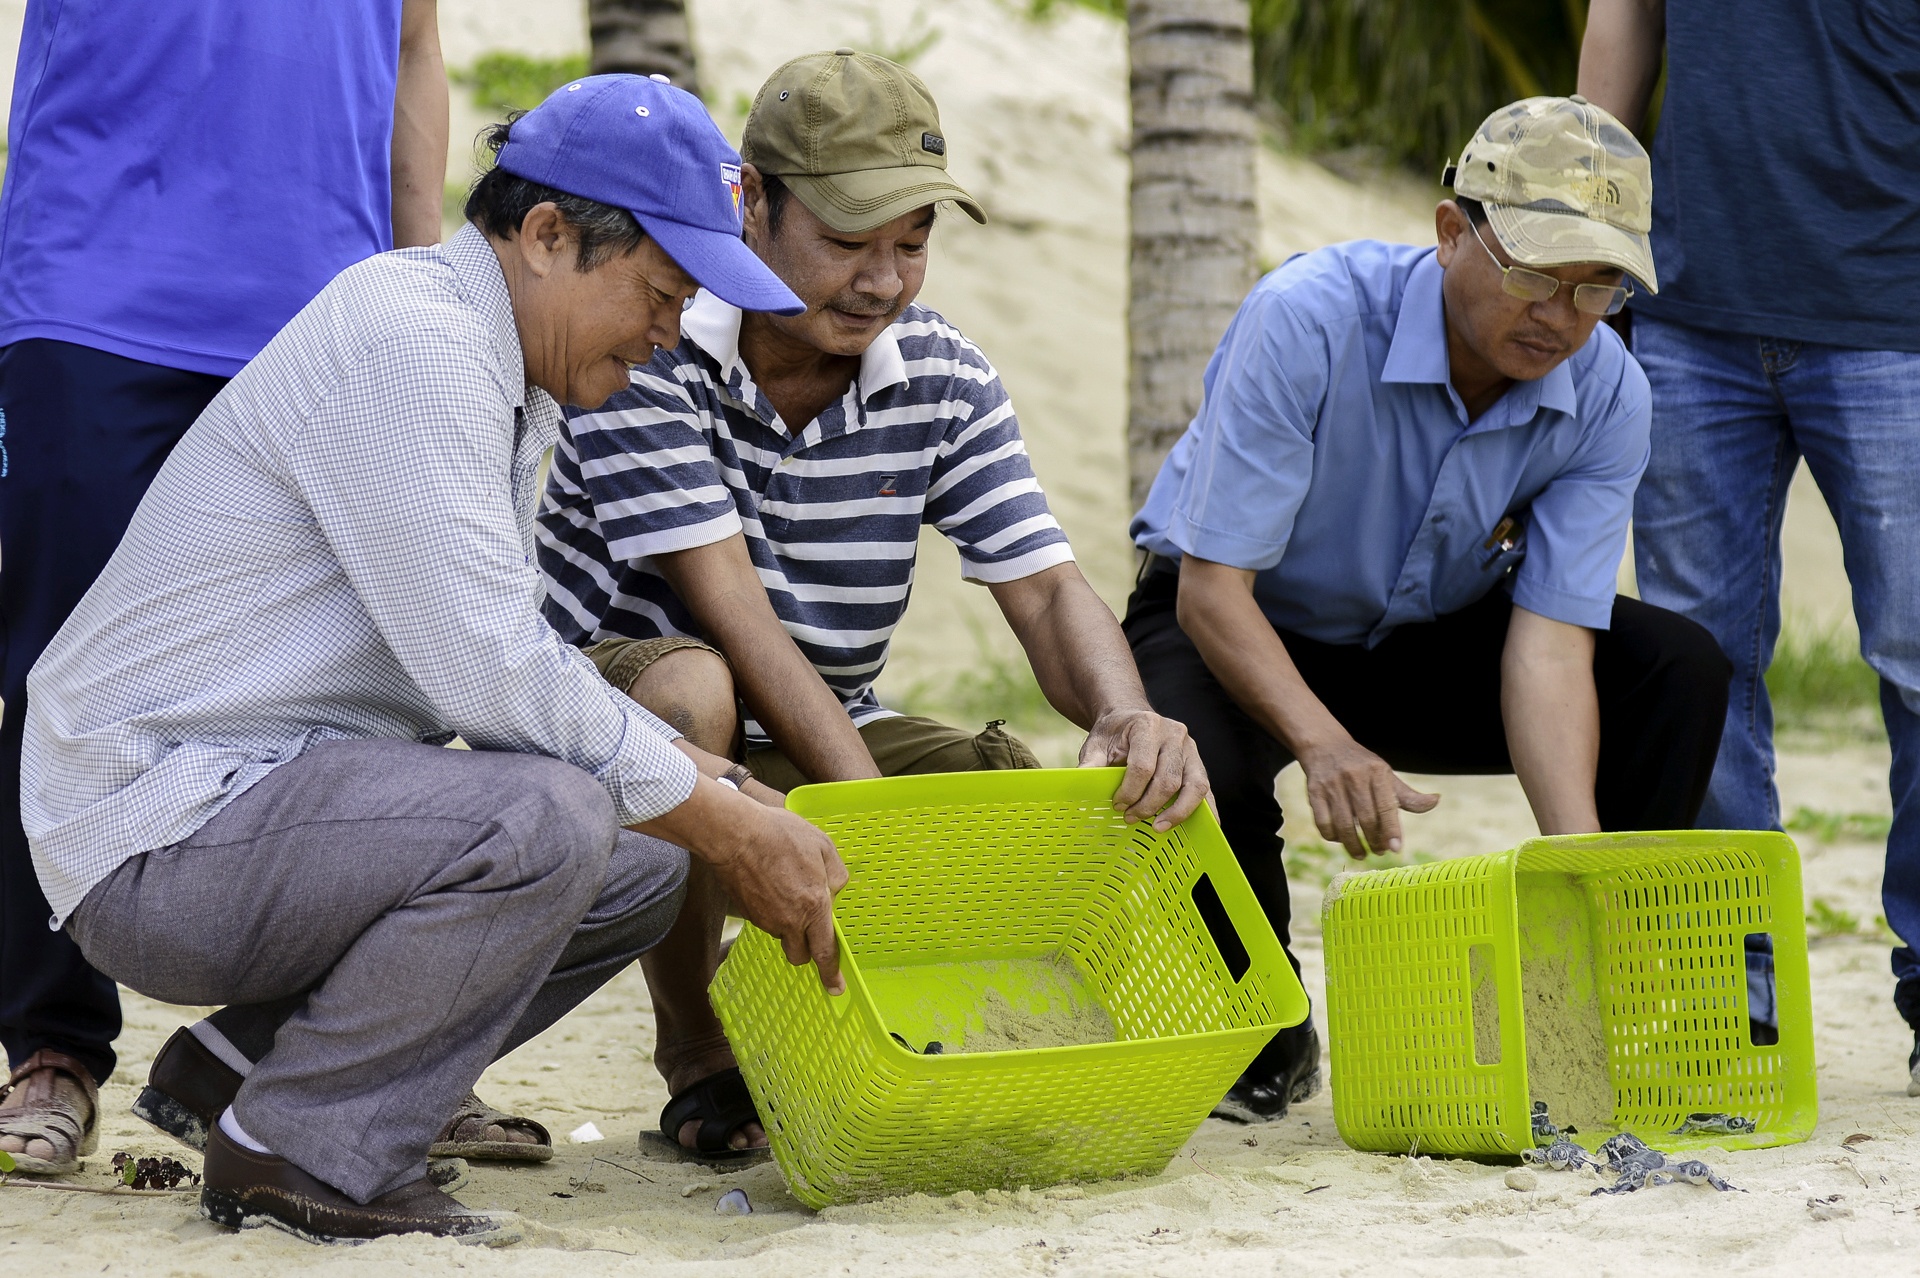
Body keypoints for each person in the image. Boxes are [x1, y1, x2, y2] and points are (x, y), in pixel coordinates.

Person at [20, 75, 848, 1244]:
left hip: (255, 803)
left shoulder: (509, 369)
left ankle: (241, 1071)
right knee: (553, 820)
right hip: (156, 826)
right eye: (660, 293)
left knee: (641, 865)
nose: (670, 333)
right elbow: (492, 671)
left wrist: (719, 797)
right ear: (549, 236)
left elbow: (507, 666)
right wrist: (724, 817)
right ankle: (301, 1149)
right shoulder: (417, 341)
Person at [536, 48, 1208, 1161]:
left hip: (815, 719)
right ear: (750, 205)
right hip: (603, 726)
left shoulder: (942, 372)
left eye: (912, 243)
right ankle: (701, 1057)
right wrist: (876, 835)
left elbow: (1043, 588)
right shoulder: (652, 334)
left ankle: (925, 1042)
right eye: (847, 241)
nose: (884, 281)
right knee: (697, 688)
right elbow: (733, 617)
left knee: (1009, 788)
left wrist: (1130, 717)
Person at [1123, 96, 1732, 1122]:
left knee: (1677, 667)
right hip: (1231, 618)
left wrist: (1574, 865)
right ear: (1452, 232)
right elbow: (1212, 592)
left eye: (1598, 286)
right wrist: (1323, 744)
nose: (1561, 314)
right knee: (1195, 759)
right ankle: (1261, 1025)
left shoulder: (1610, 390)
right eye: (1536, 272)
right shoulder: (1308, 315)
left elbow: (1548, 648)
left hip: (1424, 635)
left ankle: (1587, 986)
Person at [0, 0, 450, 1174]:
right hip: (92, 294)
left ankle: (323, 1049)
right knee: (51, 668)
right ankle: (50, 1046)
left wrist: (421, 288)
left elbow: (411, 45)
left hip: (325, 303)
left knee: (354, 681)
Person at [1578, 0, 1920, 1090]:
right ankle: (1736, 1008)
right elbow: (1626, 18)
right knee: (1704, 674)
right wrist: (1590, 231)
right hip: (1687, 320)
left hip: (1896, 318)